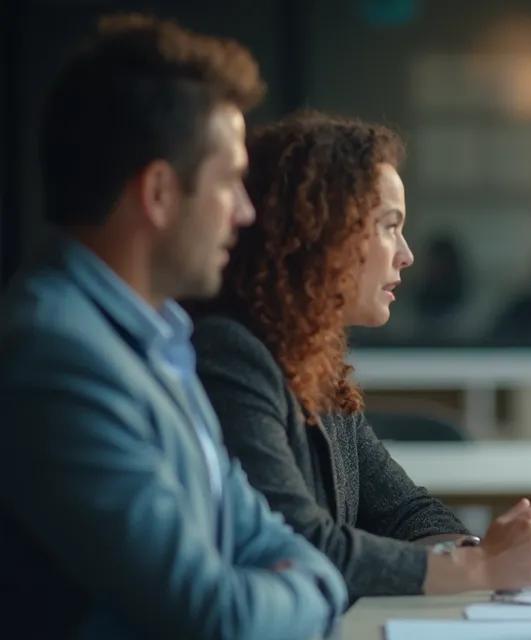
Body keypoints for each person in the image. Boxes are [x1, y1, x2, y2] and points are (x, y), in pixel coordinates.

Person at [0, 15, 346, 638]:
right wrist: (318, 589)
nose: (245, 212)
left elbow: (258, 532)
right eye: (228, 182)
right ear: (159, 193)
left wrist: (310, 578)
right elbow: (214, 617)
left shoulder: (158, 339)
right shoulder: (56, 356)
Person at [189, 111, 531, 599]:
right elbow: (303, 546)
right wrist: (479, 566)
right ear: (320, 232)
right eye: (389, 226)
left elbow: (405, 511)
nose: (405, 254)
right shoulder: (234, 356)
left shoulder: (316, 366)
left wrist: (476, 551)